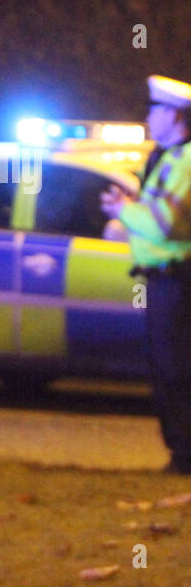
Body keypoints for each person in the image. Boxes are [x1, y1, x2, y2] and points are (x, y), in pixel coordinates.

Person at [101, 75, 191, 473]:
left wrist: (124, 211)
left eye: (154, 110)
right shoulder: (165, 157)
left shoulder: (187, 160)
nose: (148, 117)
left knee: (176, 370)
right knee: (165, 370)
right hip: (161, 280)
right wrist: (125, 213)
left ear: (174, 115)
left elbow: (169, 224)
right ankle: (180, 454)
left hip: (178, 280)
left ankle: (185, 457)